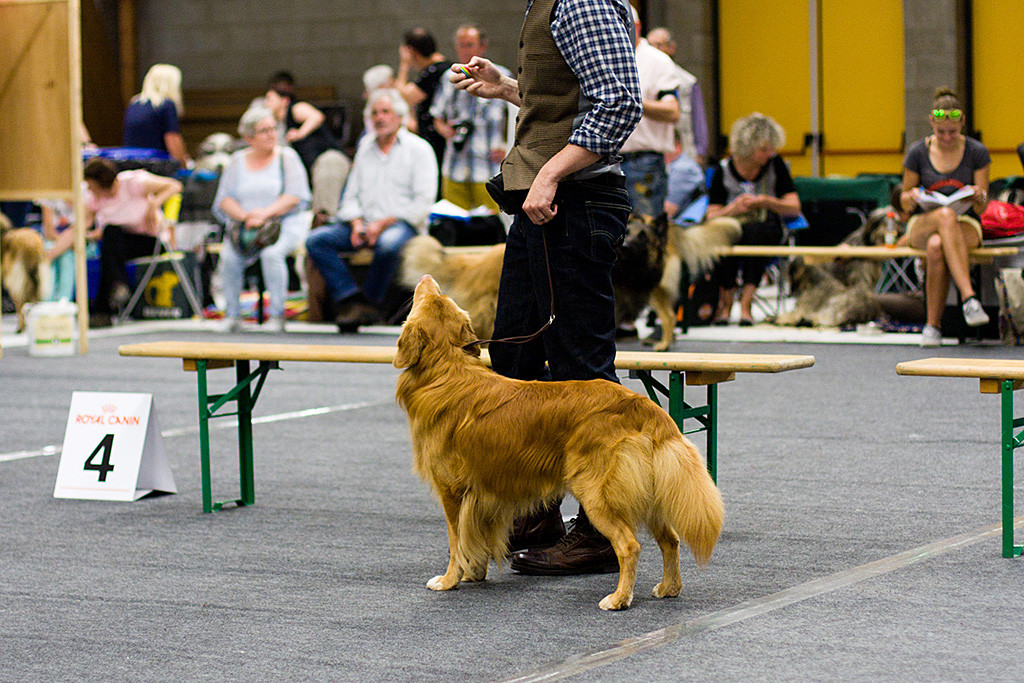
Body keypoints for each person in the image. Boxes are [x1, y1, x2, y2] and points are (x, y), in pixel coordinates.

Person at [450, 0, 642, 574]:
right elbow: (569, 100)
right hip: (543, 207)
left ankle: (603, 532)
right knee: (514, 357)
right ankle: (534, 513)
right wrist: (509, 87)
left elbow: (618, 103)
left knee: (583, 372)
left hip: (571, 205)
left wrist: (553, 171)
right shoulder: (551, 4)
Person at [305, 89, 437, 331]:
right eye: (375, 112)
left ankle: (371, 302)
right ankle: (350, 298)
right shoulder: (365, 148)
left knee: (388, 244)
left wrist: (381, 224)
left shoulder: (419, 149)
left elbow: (423, 203)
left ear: (399, 116)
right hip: (363, 224)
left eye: (385, 112)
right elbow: (351, 196)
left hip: (402, 224)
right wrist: (356, 223)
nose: (380, 117)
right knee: (316, 240)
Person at [900, 87, 991, 347]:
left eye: (953, 132)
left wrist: (977, 195)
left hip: (966, 223)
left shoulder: (977, 152)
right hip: (924, 222)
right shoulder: (917, 153)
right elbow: (905, 204)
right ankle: (969, 298)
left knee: (937, 245)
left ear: (963, 124)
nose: (947, 137)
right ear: (931, 123)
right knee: (944, 216)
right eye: (941, 132)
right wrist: (909, 198)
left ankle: (932, 328)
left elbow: (983, 208)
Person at [213, 105, 311, 333]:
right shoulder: (237, 161)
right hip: (245, 226)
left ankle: (277, 316)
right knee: (229, 257)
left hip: (283, 223)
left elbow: (295, 196)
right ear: (249, 137)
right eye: (264, 130)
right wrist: (246, 216)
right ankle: (232, 314)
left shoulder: (287, 157)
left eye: (273, 128)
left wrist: (264, 214)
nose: (271, 134)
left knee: (271, 254)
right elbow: (224, 199)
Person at [707, 112, 800, 325]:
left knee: (757, 233)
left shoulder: (776, 166)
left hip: (765, 227)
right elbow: (712, 215)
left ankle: (746, 305)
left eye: (771, 148)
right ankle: (726, 303)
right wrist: (733, 208)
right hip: (732, 226)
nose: (770, 153)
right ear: (747, 148)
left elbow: (794, 207)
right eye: (764, 149)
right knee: (723, 235)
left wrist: (767, 201)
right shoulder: (723, 170)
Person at [82, 157, 183, 327]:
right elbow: (83, 226)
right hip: (119, 245)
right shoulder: (95, 198)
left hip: (151, 241)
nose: (89, 189)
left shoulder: (132, 182)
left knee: (110, 247)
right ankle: (118, 286)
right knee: (110, 236)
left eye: (91, 185)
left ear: (100, 183)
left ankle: (103, 309)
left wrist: (153, 204)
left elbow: (175, 186)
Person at [430, 24, 509, 212]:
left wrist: (508, 146)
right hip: (455, 166)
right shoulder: (448, 78)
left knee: (490, 226)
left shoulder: (502, 76)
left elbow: (517, 118)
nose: (465, 50)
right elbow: (436, 117)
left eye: (470, 44)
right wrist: (445, 130)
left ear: (482, 47)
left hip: (489, 167)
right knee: (455, 226)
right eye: (461, 45)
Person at [618, 8, 680, 217]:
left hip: (643, 162)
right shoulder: (605, 57)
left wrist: (633, 103)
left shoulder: (657, 61)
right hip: (604, 160)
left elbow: (673, 111)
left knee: (646, 233)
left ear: (636, 27)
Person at [263, 79, 350, 227]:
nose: (266, 103)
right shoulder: (277, 125)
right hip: (311, 171)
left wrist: (300, 133)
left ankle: (324, 223)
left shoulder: (295, 108)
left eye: (270, 98)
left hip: (329, 161)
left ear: (284, 100)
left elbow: (317, 116)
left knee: (323, 213)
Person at [646, 27, 710, 164]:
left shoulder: (688, 81)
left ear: (671, 48)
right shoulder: (643, 76)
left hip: (685, 155)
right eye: (650, 45)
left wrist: (700, 152)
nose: (654, 49)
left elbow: (698, 121)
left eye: (659, 45)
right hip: (653, 154)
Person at [396, 28, 451, 174]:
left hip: (437, 140)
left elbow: (403, 96)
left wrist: (404, 65)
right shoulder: (442, 67)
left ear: (411, 51)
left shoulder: (433, 72)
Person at [122, 64, 191, 165]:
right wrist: (184, 163)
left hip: (131, 162)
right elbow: (172, 139)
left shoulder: (134, 102)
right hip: (154, 163)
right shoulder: (166, 104)